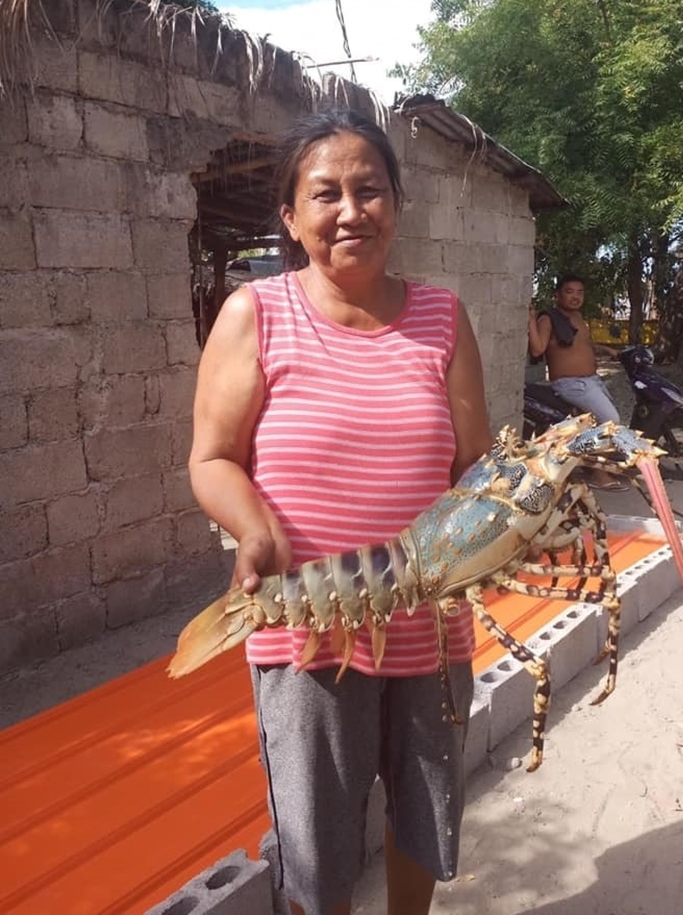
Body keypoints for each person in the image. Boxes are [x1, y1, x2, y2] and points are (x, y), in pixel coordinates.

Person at [188, 108, 492, 915]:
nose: (352, 210)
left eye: (371, 190)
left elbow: (477, 468)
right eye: (326, 194)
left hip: (430, 625)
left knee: (423, 814)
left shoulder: (442, 317)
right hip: (305, 626)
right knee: (315, 843)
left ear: (397, 204)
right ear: (291, 217)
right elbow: (212, 458)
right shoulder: (256, 313)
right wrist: (255, 529)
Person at [528, 274, 624, 489]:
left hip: (591, 382)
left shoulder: (579, 317)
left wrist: (606, 349)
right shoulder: (549, 319)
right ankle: (599, 475)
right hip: (571, 384)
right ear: (558, 294)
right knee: (611, 421)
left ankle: (583, 462)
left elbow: (584, 344)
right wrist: (531, 320)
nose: (575, 297)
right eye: (569, 292)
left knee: (597, 425)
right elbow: (537, 348)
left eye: (580, 292)